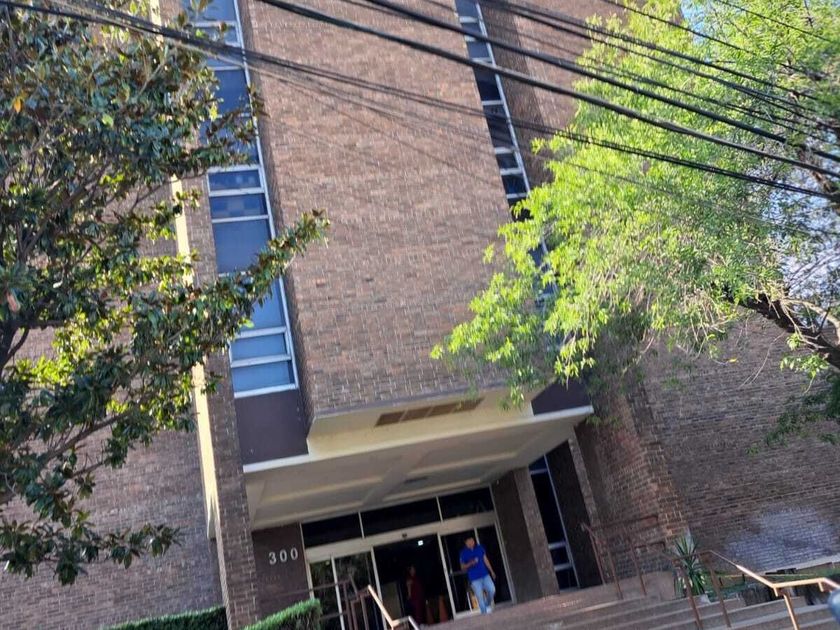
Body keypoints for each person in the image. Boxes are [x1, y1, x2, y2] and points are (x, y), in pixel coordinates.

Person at [459, 535, 497, 614]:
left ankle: (487, 603)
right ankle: (484, 614)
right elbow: (462, 567)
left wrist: (492, 571)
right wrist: (470, 563)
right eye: (468, 542)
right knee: (480, 597)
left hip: (485, 575)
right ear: (465, 543)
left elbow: (486, 560)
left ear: (474, 541)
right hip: (474, 578)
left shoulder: (480, 548)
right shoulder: (463, 553)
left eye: (472, 541)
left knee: (492, 590)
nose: (471, 543)